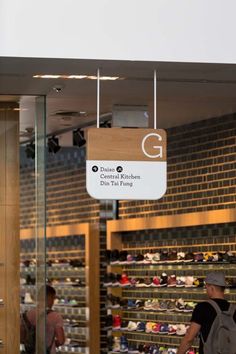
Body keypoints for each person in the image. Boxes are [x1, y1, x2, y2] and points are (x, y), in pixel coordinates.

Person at [177, 272, 236, 354]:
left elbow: (189, 338)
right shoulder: (233, 309)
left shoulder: (203, 307)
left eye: (206, 287)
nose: (206, 290)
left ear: (212, 288)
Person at [21, 284, 65, 354]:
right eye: (53, 298)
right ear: (50, 297)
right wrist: (53, 344)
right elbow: (61, 340)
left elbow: (22, 338)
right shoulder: (55, 316)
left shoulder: (27, 314)